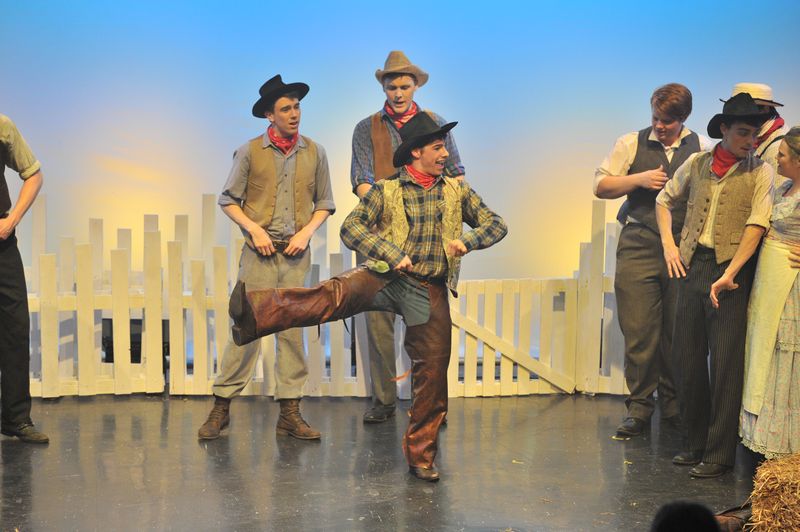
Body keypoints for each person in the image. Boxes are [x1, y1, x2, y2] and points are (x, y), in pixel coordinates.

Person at [228, 112, 507, 481]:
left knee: (433, 373)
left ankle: (422, 457)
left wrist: (467, 242)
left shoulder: (458, 191)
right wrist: (390, 252)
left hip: (427, 287)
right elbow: (351, 228)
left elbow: (496, 224)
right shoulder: (387, 189)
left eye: (444, 148)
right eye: (439, 148)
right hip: (385, 275)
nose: (445, 154)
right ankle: (253, 315)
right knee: (331, 295)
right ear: (417, 152)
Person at [197, 75, 335, 441]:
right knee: (246, 328)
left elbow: (324, 203)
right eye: (285, 109)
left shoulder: (315, 152)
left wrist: (306, 232)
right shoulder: (249, 152)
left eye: (297, 107)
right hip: (259, 255)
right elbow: (228, 200)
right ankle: (221, 407)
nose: (294, 114)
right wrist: (254, 230)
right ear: (269, 116)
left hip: (295, 256)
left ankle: (290, 412)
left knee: (291, 333)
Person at [655, 93, 774, 478]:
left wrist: (731, 273)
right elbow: (664, 200)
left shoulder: (761, 172)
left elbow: (757, 224)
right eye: (742, 133)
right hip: (693, 267)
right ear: (724, 129)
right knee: (687, 359)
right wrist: (670, 245)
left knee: (725, 365)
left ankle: (720, 454)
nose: (750, 141)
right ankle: (694, 443)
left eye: (754, 134)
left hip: (731, 274)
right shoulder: (697, 163)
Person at [351, 51, 465, 423]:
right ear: (383, 87)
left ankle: (427, 404)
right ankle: (384, 400)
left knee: (428, 328)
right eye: (392, 86)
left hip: (428, 239)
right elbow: (362, 181)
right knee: (379, 321)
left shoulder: (436, 124)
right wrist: (390, 213)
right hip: (381, 237)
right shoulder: (366, 128)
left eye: (404, 85)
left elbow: (456, 174)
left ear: (415, 85)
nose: (398, 93)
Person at [594, 83, 713, 438]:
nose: (660, 126)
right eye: (656, 118)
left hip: (682, 248)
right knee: (640, 329)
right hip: (640, 242)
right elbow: (601, 186)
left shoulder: (702, 148)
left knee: (678, 331)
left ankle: (673, 405)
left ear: (684, 118)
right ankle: (640, 407)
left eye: (668, 121)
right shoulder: (631, 143)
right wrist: (639, 179)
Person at [740, 126, 800, 459]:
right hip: (768, 283)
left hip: (791, 288)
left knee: (786, 356)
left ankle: (788, 442)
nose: (777, 159)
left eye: (783, 155)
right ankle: (762, 433)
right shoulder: (784, 188)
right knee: (764, 351)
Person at [0, 114, 49, 443]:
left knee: (15, 328)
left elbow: (33, 175)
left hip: (2, 244)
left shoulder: (2, 126)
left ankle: (16, 418)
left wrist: (11, 220)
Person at [727, 83, 786, 173]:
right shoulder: (760, 135)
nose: (740, 116)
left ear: (765, 109)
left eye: (747, 110)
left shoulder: (776, 148)